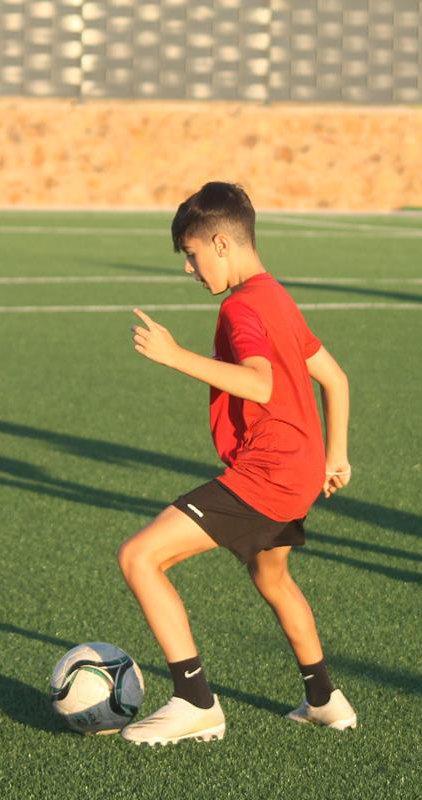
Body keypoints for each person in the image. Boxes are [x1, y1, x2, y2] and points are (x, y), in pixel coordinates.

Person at [116, 182, 356, 746]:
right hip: (298, 472)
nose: (190, 270)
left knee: (139, 556)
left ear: (221, 243)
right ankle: (324, 699)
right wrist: (335, 455)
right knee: (271, 577)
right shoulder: (277, 295)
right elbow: (336, 379)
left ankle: (195, 701)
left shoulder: (243, 305)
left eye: (192, 255)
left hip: (268, 474)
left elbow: (259, 382)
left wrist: (176, 357)